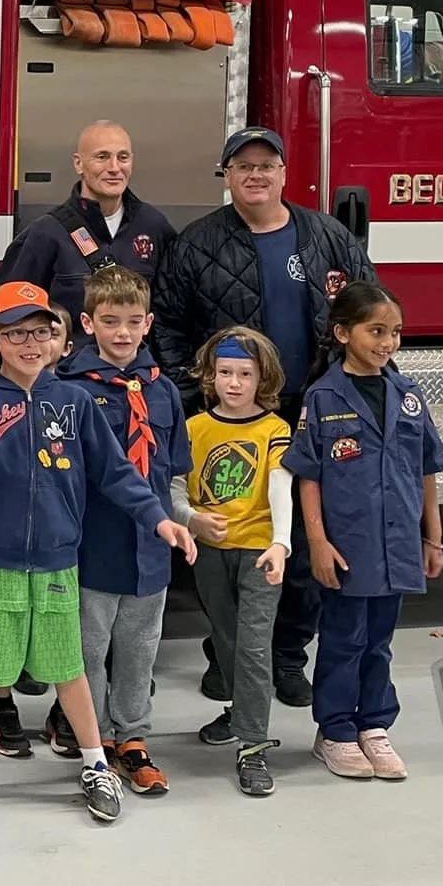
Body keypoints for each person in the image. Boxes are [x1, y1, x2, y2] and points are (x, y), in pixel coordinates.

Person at [0, 283, 184, 831]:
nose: (30, 342)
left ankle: (95, 765)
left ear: (60, 338)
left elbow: (115, 474)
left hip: (60, 562)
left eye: (41, 331)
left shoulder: (75, 401)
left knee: (70, 669)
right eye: (16, 333)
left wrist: (158, 519)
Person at [154, 125, 375, 709]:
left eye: (266, 165)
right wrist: (195, 396)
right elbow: (169, 326)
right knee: (229, 545)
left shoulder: (327, 237)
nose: (255, 174)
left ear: (284, 173)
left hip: (313, 415)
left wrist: (352, 396)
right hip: (230, 422)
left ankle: (286, 656)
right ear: (226, 175)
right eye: (242, 165)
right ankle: (227, 658)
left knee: (302, 540)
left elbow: (365, 311)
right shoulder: (198, 243)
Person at [285, 281, 443, 782]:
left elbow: (427, 470)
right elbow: (308, 475)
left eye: (395, 332)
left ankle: (374, 725)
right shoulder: (322, 397)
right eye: (376, 331)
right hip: (348, 546)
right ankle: (335, 731)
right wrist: (316, 541)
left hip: (398, 544)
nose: (387, 342)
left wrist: (433, 537)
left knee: (380, 641)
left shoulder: (409, 397)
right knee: (342, 638)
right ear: (342, 333)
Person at [55, 266, 198, 796]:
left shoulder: (163, 392)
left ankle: (133, 738)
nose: (122, 333)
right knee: (88, 646)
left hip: (152, 545)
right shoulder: (70, 389)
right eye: (110, 321)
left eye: (133, 322)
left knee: (140, 645)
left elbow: (173, 470)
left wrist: (186, 521)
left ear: (149, 324)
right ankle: (92, 739)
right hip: (95, 540)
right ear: (88, 323)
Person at [185, 326, 294, 797]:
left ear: (261, 377)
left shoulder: (274, 429)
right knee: (226, 639)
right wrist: (191, 522)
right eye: (224, 372)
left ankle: (252, 745)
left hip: (258, 551)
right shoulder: (193, 428)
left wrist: (282, 544)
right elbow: (178, 485)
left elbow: (280, 488)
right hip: (210, 551)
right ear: (210, 375)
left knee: (253, 645)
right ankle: (239, 710)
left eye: (244, 374)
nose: (233, 383)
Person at [0, 120, 178, 326]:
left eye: (123, 157)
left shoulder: (154, 226)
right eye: (102, 157)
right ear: (78, 164)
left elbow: (174, 309)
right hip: (70, 358)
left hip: (140, 358)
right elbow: (11, 313)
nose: (114, 168)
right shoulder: (45, 233)